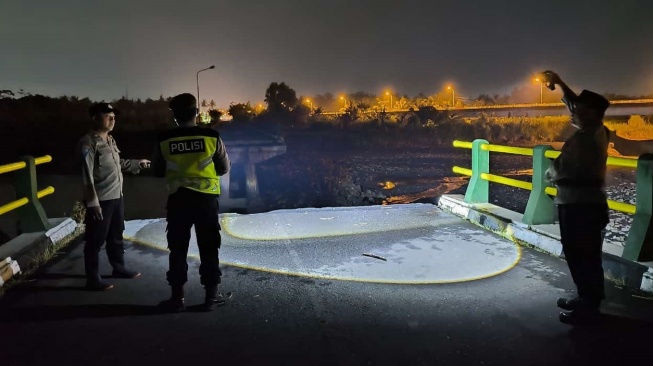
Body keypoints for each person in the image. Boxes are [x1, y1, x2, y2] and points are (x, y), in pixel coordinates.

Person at [542, 71, 611, 325]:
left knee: (580, 254)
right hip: (586, 204)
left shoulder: (584, 140)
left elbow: (560, 171)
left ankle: (588, 307)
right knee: (585, 254)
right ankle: (587, 299)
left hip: (578, 205)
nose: (572, 112)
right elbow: (575, 105)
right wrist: (559, 82)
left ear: (591, 113)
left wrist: (550, 171)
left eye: (579, 109)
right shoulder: (599, 130)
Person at [152, 93, 232, 312]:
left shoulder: (164, 139)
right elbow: (224, 167)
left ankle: (177, 299)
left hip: (178, 200)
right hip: (206, 201)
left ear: (175, 116)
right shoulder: (211, 136)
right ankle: (210, 298)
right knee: (209, 247)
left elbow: (157, 170)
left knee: (177, 248)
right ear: (196, 113)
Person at [77, 103, 151, 290]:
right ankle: (93, 278)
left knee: (116, 236)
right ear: (94, 118)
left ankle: (119, 267)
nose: (112, 119)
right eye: (107, 116)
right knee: (95, 239)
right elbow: (87, 175)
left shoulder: (110, 140)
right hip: (101, 199)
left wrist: (137, 163)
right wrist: (92, 203)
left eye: (113, 116)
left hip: (117, 196)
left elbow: (119, 165)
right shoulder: (88, 143)